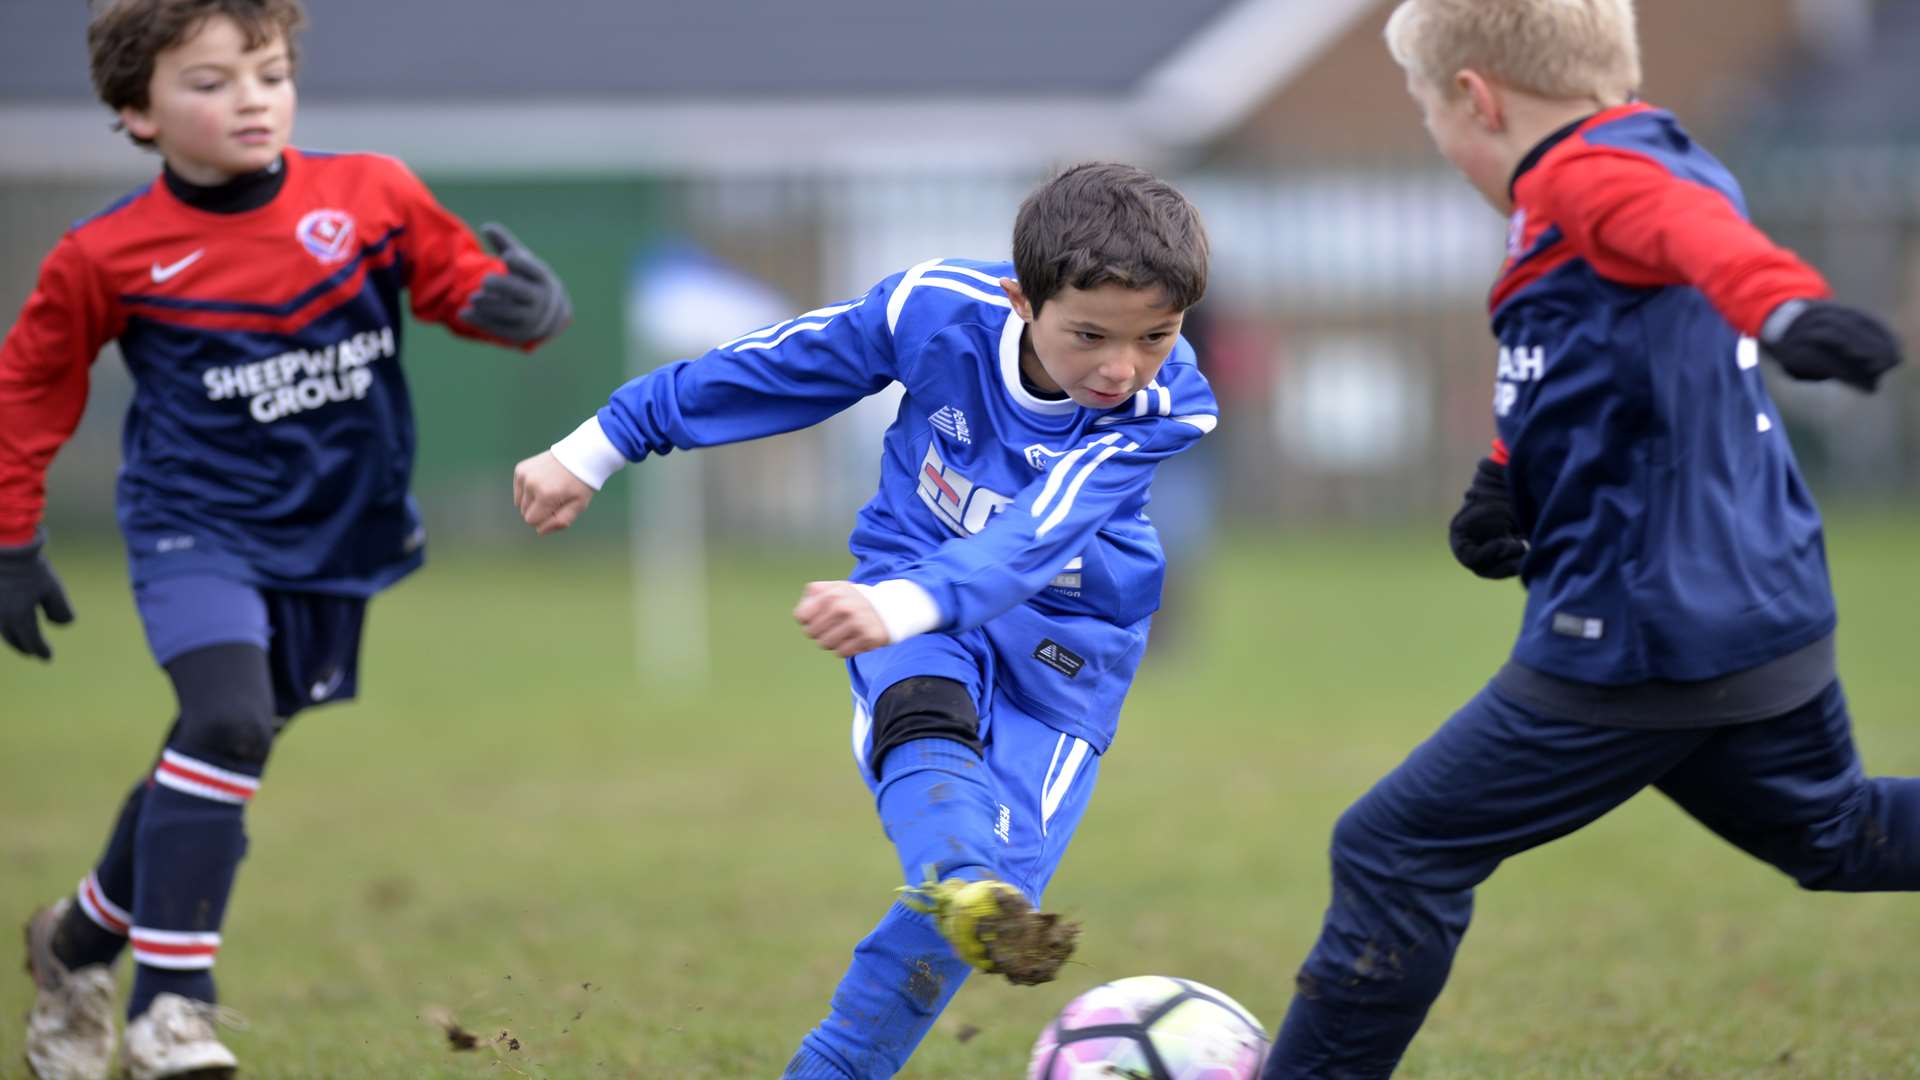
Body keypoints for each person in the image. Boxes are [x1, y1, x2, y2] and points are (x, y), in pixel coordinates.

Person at [1261, 2, 1909, 1076]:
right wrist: (1507, 479)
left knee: (1392, 848)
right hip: (1762, 604)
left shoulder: (1584, 178)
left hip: (1642, 634)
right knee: (1834, 835)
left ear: (1477, 95)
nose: (1435, 136)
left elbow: (1697, 238)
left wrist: (1787, 310)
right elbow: (1599, 368)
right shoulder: (1643, 151)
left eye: (1427, 110)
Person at [512, 162, 1217, 1079]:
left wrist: (897, 604)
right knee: (924, 718)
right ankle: (934, 916)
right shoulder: (935, 309)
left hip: (1065, 648)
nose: (1122, 368)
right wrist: (602, 442)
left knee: (1006, 903)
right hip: (912, 582)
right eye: (1091, 335)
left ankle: (968, 888)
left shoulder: (1168, 404)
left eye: (1156, 335)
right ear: (1019, 300)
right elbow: (782, 366)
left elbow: (1038, 536)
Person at [2, 2, 571, 1077]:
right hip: (195, 532)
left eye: (266, 74)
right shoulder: (106, 254)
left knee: (218, 747)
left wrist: (516, 308)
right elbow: (29, 387)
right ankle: (174, 1008)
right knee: (227, 719)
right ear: (136, 112)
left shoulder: (369, 193)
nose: (250, 99)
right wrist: (9, 538)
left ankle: (74, 944)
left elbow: (452, 278)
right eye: (209, 82)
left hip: (337, 534)